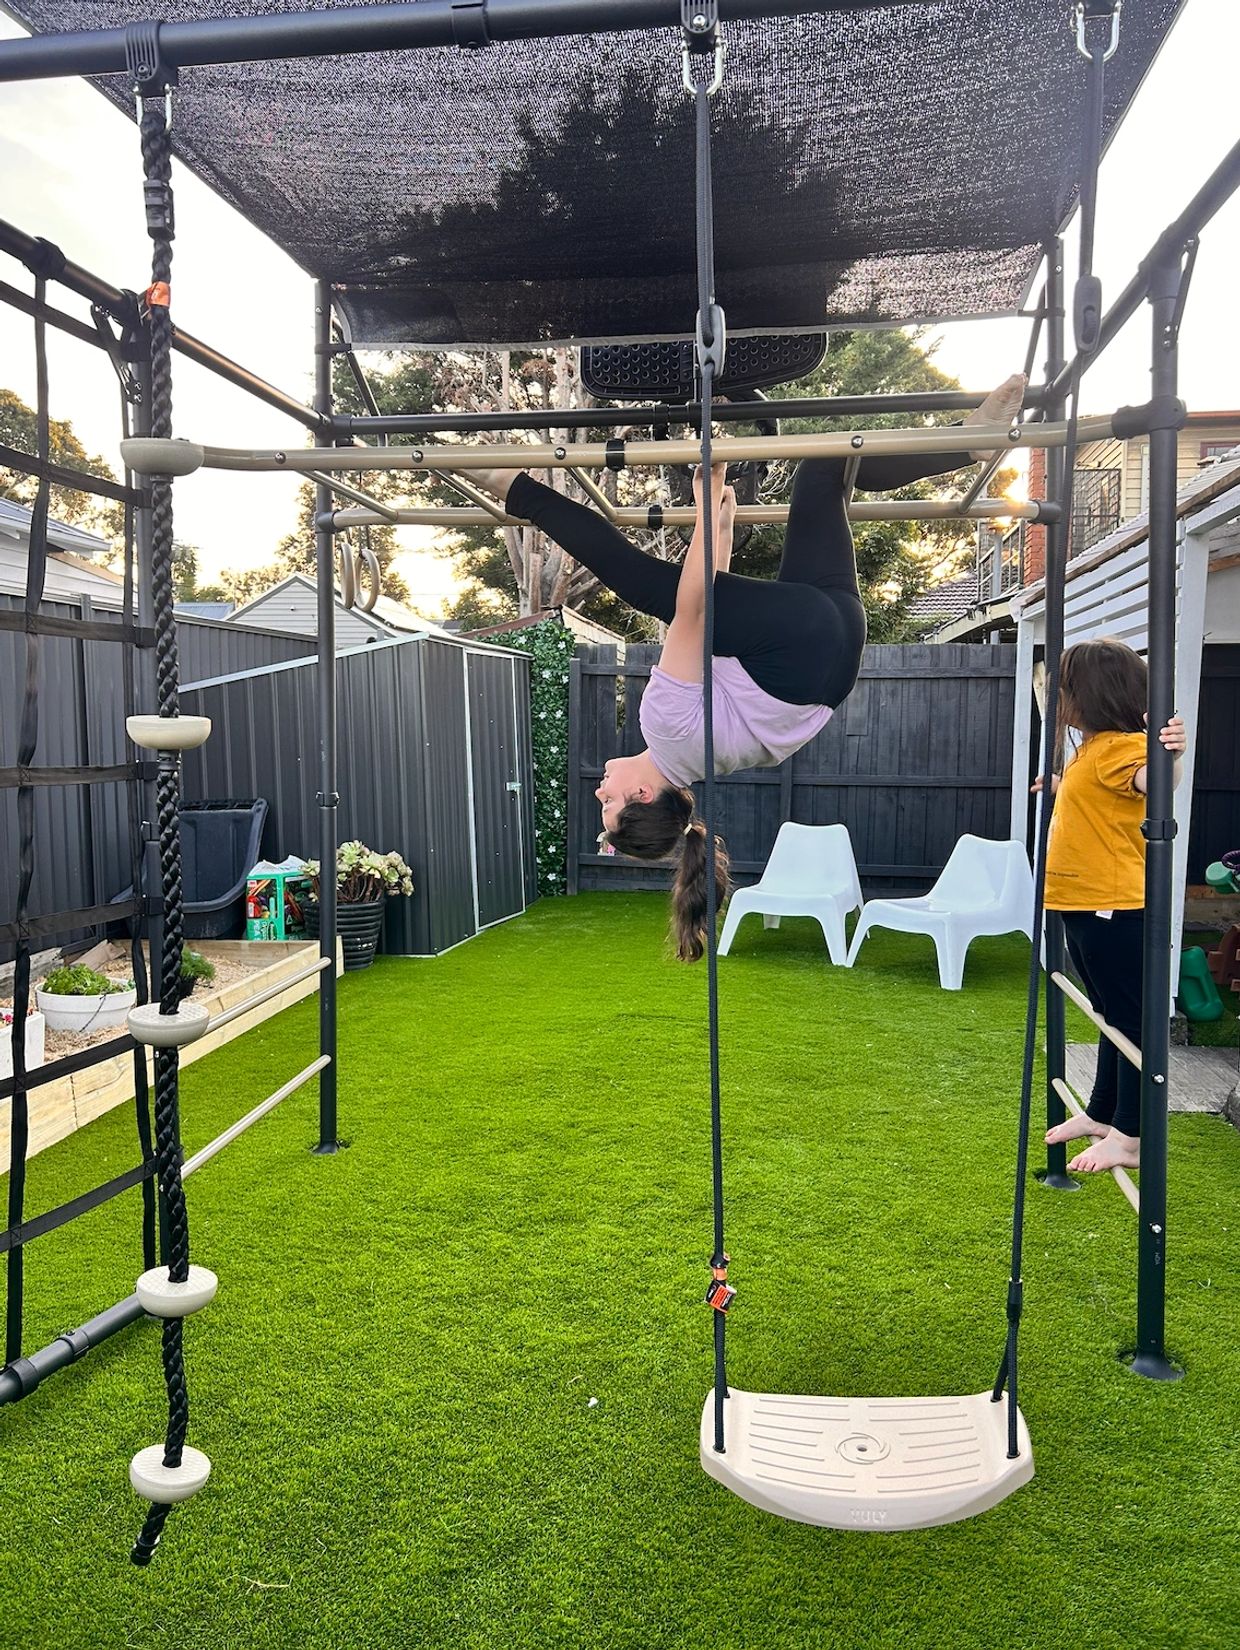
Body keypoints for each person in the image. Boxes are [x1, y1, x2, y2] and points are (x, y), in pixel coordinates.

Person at [474, 374, 1027, 959]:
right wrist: (704, 509)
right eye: (609, 806)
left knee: (824, 470)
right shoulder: (665, 731)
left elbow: (716, 619)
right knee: (642, 582)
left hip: (834, 646)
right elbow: (694, 609)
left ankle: (968, 442)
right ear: (641, 793)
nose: (599, 794)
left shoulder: (702, 759)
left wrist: (721, 523)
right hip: (797, 648)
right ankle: (515, 488)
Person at [1037, 638, 1187, 1172]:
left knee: (1130, 1022)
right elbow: (1103, 797)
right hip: (1085, 906)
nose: (1057, 699)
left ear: (1092, 696)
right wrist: (1063, 784)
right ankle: (1103, 1114)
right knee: (1109, 1017)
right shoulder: (1094, 749)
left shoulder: (1123, 747)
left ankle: (1130, 1135)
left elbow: (1154, 783)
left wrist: (1168, 755)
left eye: (1064, 689)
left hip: (1113, 909)